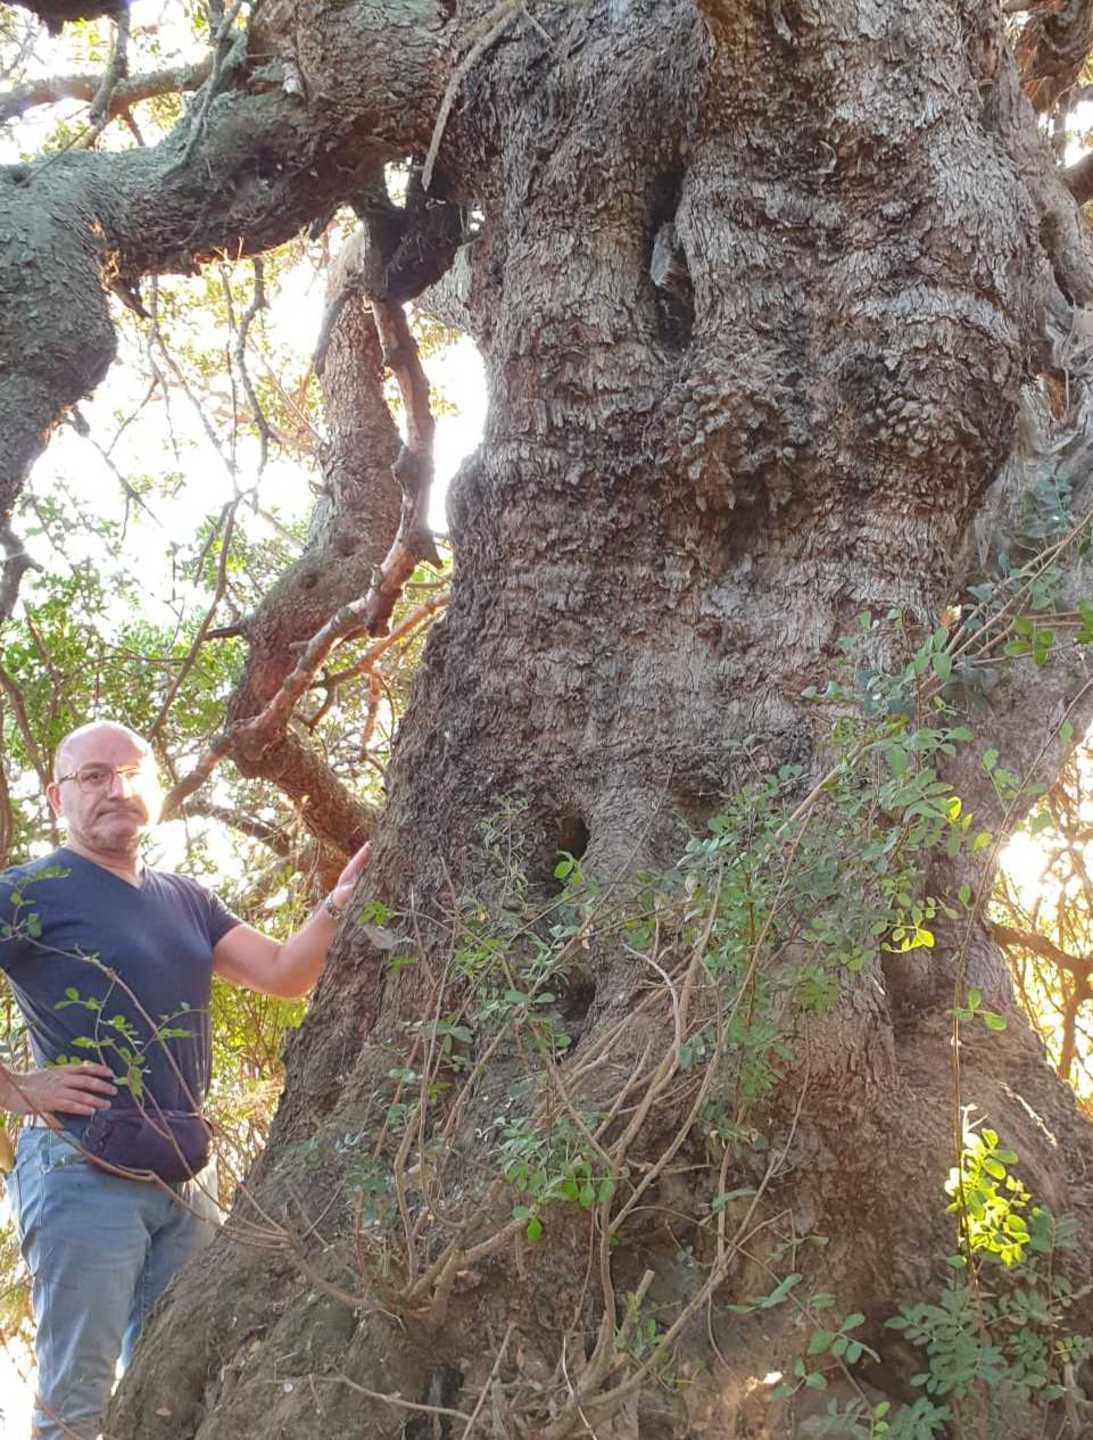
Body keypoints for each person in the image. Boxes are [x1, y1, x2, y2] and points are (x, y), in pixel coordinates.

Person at [0, 719, 369, 1440]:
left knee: (174, 1396)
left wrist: (337, 906)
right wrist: (17, 1088)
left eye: (133, 773)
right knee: (76, 1406)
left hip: (182, 1179)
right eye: (95, 777)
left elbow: (283, 974)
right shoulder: (30, 891)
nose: (117, 789)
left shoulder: (186, 899)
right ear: (57, 797)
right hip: (82, 1171)